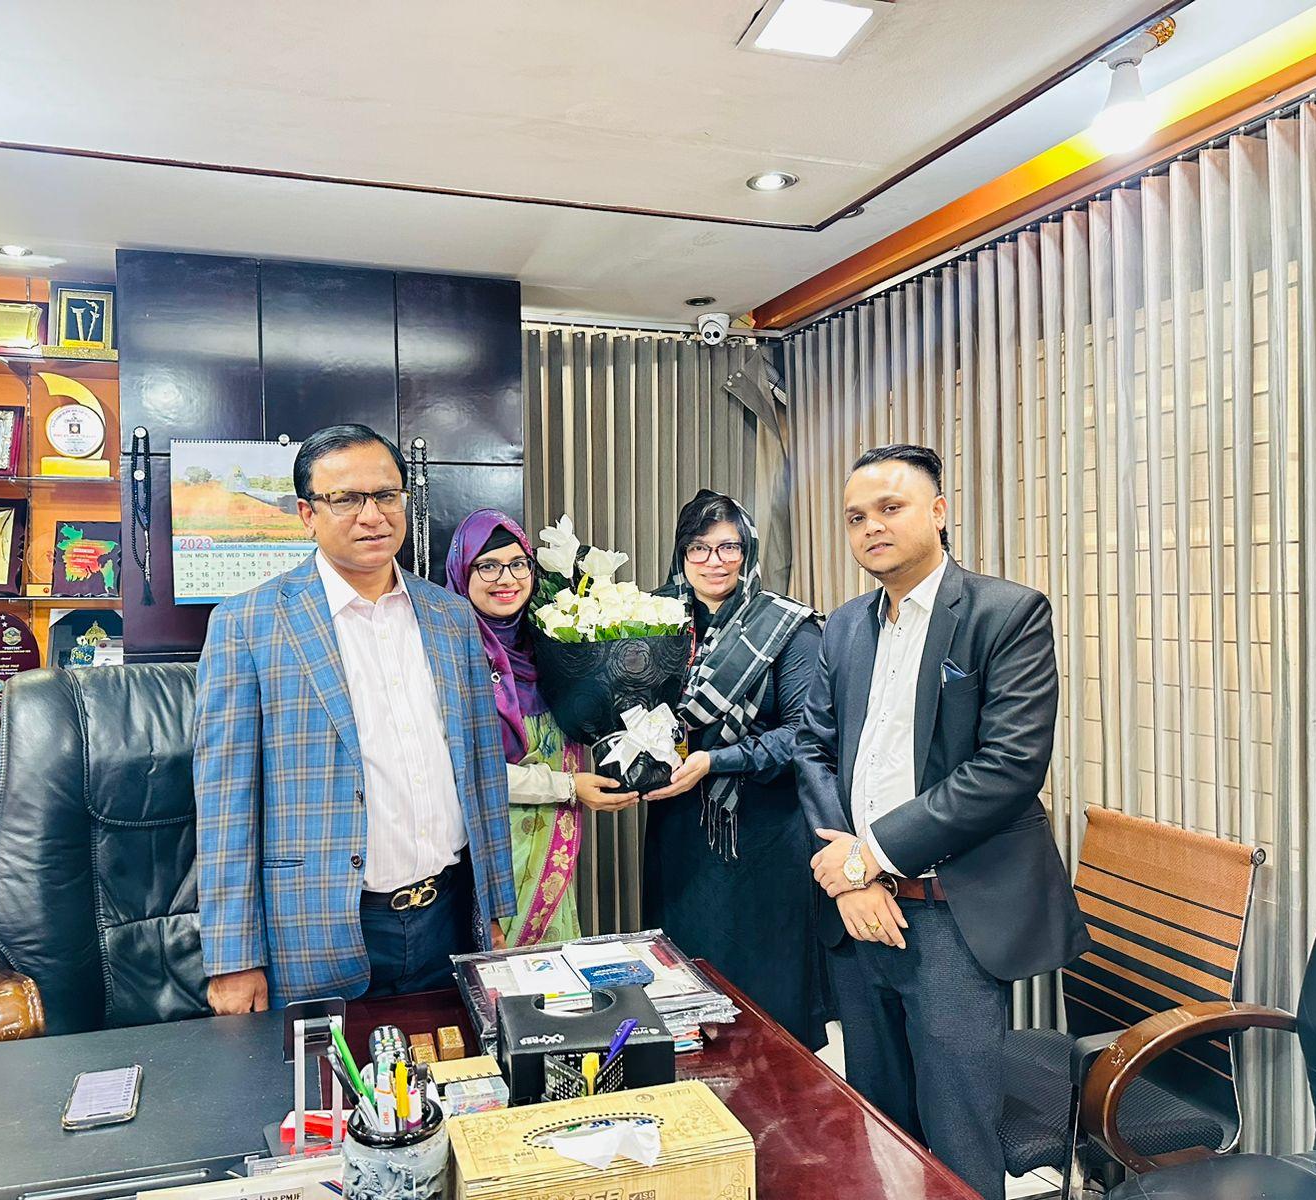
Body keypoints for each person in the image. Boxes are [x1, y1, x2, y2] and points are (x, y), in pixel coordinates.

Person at [795, 444, 1089, 1200]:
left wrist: (871, 856)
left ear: (938, 511)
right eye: (855, 517)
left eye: (889, 508)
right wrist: (851, 878)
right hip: (858, 915)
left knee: (959, 1143)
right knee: (878, 1126)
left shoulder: (1006, 614)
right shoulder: (844, 628)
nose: (871, 527)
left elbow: (1008, 769)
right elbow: (813, 749)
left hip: (952, 915)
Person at [194, 424, 517, 1013]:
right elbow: (224, 803)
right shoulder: (248, 624)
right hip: (316, 929)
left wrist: (494, 907)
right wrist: (233, 958)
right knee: (321, 1075)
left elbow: (482, 771)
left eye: (386, 495)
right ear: (307, 514)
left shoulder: (450, 617)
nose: (372, 516)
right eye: (345, 499)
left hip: (448, 918)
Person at [642, 489, 828, 1049]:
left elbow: (803, 736)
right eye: (698, 548)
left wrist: (715, 760)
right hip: (681, 832)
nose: (714, 561)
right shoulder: (655, 619)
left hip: (763, 835)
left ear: (748, 551)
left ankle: (778, 1084)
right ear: (681, 554)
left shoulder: (787, 627)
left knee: (766, 988)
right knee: (687, 982)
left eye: (728, 547)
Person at [444, 509, 639, 946]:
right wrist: (569, 787)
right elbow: (462, 772)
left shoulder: (551, 643)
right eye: (487, 566)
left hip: (551, 844)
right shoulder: (449, 656)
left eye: (518, 564)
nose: (506, 579)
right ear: (462, 571)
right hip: (489, 852)